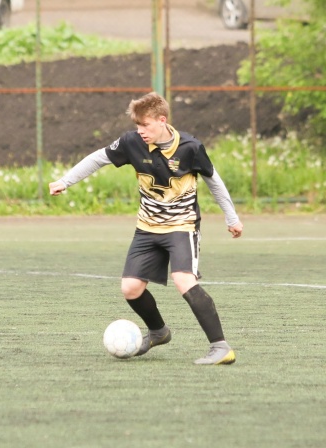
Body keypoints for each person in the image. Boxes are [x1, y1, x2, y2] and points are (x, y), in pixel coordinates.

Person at [49, 92, 244, 364]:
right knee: (130, 288)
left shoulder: (190, 147)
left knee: (183, 280)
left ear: (162, 120)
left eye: (145, 125)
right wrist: (65, 181)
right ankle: (158, 331)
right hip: (147, 227)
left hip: (181, 225)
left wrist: (231, 217)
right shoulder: (132, 143)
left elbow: (214, 181)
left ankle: (221, 347)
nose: (140, 131)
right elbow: (97, 158)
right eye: (137, 125)